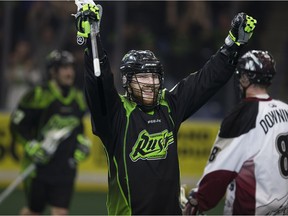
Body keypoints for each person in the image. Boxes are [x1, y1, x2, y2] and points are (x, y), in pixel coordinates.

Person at [74, 2, 257, 215]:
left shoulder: (168, 105)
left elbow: (205, 81)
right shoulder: (116, 114)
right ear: (126, 81)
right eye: (142, 76)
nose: (150, 82)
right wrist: (92, 38)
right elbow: (99, 83)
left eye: (153, 76)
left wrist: (232, 44)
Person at [183, 50, 288, 215]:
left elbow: (220, 172)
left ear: (245, 78)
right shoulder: (285, 110)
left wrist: (198, 198)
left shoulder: (243, 115)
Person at [10, 50, 91, 215]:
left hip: (65, 167)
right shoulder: (38, 95)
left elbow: (78, 128)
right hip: (39, 168)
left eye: (71, 68)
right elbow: (17, 125)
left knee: (61, 212)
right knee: (34, 211)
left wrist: (82, 144)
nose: (70, 72)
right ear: (53, 72)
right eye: (64, 68)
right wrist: (30, 146)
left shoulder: (77, 97)